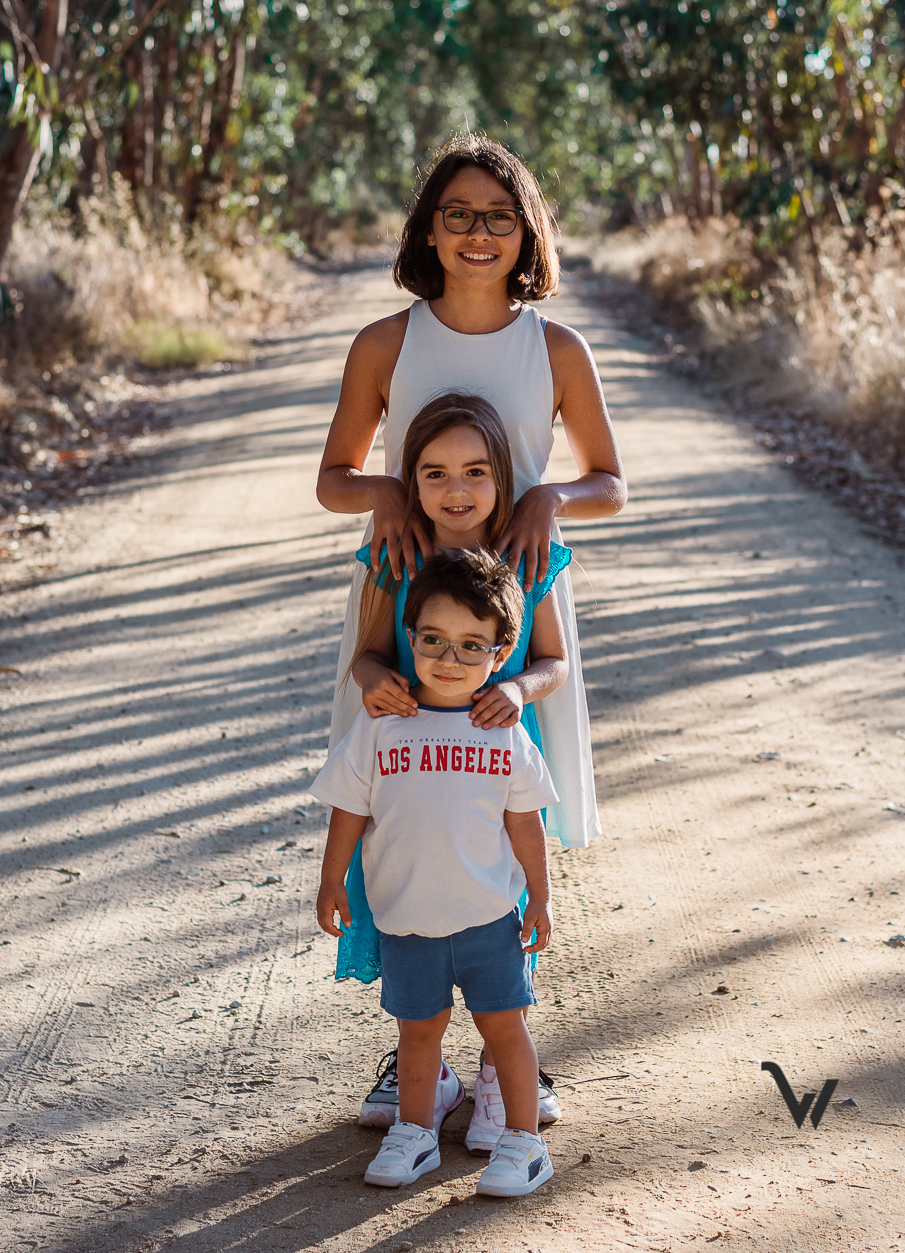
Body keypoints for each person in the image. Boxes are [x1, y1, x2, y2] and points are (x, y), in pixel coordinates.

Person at [317, 131, 627, 1122]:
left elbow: (610, 482)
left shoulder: (556, 347)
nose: (478, 233)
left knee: (506, 815)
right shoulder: (386, 342)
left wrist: (549, 499)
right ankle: (416, 1058)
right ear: (430, 231)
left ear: (524, 230)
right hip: (408, 593)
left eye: (499, 216)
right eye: (457, 214)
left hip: (514, 602)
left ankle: (505, 1060)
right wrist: (385, 498)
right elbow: (333, 478)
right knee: (404, 817)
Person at [343, 391, 569, 1151]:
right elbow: (367, 653)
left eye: (476, 471)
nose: (457, 490)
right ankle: (427, 1074)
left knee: (496, 900)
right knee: (421, 897)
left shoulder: (525, 558)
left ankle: (505, 1078)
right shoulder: (394, 557)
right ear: (410, 480)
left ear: (502, 477)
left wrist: (516, 686)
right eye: (434, 474)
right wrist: (372, 676)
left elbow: (554, 661)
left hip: (492, 744)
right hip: (410, 759)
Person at [313, 550, 559, 1197]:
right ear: (410, 636)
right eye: (434, 641)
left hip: (487, 921)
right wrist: (331, 878)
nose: (449, 659)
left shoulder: (502, 732)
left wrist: (540, 897)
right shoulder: (383, 722)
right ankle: (416, 1132)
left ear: (501, 653)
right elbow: (349, 809)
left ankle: (524, 1142)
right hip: (407, 919)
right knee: (417, 1035)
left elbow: (525, 824)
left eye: (471, 645)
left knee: (505, 1028)